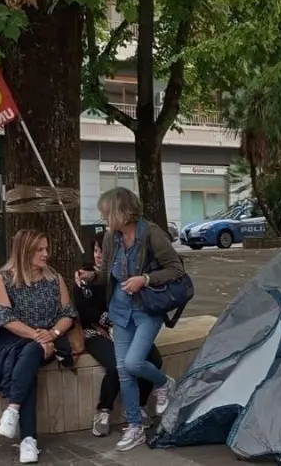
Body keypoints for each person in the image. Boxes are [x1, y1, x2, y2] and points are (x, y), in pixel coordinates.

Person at [94, 187, 185, 452]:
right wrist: (90, 276)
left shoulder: (152, 235)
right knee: (124, 371)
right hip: (120, 311)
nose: (104, 219)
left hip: (147, 309)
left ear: (121, 211)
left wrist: (144, 279)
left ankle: (164, 383)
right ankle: (134, 427)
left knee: (133, 363)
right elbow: (105, 273)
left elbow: (176, 270)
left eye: (107, 213)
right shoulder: (112, 237)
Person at [0, 229, 77, 464]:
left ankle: (13, 411)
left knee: (31, 353)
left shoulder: (54, 278)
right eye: (40, 250)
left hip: (49, 337)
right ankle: (28, 440)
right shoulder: (4, 278)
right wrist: (38, 337)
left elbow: (68, 314)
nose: (46, 254)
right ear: (24, 251)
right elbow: (5, 317)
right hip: (16, 337)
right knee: (29, 356)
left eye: (47, 248)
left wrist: (52, 334)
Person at [72, 230, 164, 438]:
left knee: (153, 359)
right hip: (95, 332)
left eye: (102, 251)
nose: (97, 255)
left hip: (126, 328)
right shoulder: (84, 276)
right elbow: (84, 311)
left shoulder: (121, 274)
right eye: (95, 250)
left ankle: (140, 404)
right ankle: (103, 410)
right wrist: (109, 318)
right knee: (116, 365)